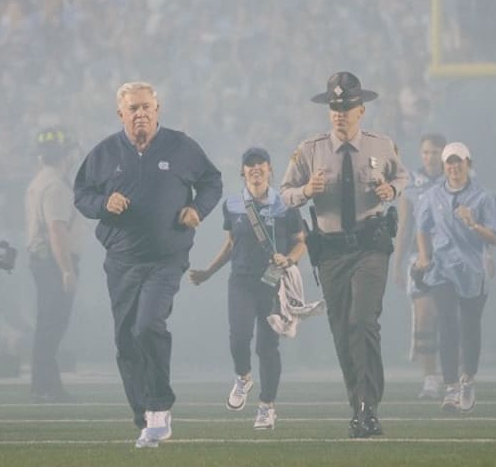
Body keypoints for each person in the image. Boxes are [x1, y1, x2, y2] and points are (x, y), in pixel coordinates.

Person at [74, 81, 222, 449]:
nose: (140, 113)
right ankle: (143, 415)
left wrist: (197, 209)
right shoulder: (104, 153)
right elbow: (81, 194)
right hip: (122, 261)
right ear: (120, 114)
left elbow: (212, 182)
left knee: (147, 325)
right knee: (126, 339)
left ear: (158, 110)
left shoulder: (181, 146)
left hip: (166, 259)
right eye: (133, 108)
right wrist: (103, 204)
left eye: (146, 107)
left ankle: (159, 410)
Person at [279, 71, 408, 438]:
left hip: (370, 246)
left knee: (362, 320)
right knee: (341, 330)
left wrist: (389, 191)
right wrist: (306, 190)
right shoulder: (309, 150)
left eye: (347, 106)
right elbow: (284, 193)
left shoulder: (381, 146)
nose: (340, 113)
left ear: (361, 110)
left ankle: (369, 406)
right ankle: (358, 405)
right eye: (335, 107)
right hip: (332, 251)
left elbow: (402, 178)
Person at [188, 146, 306, 431]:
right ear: (242, 171)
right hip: (240, 280)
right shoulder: (232, 204)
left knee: (267, 347)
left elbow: (301, 241)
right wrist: (208, 272)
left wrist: (288, 259)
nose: (255, 168)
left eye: (260, 163)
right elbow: (231, 243)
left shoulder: (285, 205)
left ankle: (267, 407)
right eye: (249, 164)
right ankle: (243, 377)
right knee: (238, 337)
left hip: (272, 282)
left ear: (269, 169)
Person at [414, 142, 496, 413]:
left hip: (472, 271)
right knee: (446, 323)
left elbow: (494, 237)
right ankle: (450, 385)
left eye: (459, 162)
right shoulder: (431, 196)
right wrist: (424, 257)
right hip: (442, 270)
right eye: (449, 163)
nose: (454, 167)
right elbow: (422, 227)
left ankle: (468, 379)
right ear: (443, 167)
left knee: (470, 327)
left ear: (468, 164)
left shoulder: (484, 197)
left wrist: (472, 223)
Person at [25, 127, 83, 402]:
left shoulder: (39, 181)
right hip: (53, 260)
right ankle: (46, 384)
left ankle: (44, 382)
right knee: (53, 324)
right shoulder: (56, 186)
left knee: (47, 323)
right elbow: (56, 230)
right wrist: (67, 269)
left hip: (42, 259)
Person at [392, 133, 447, 400]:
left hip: (452, 258)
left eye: (434, 152)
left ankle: (454, 376)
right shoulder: (412, 183)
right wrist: (398, 263)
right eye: (425, 152)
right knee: (425, 315)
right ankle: (430, 377)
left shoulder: (457, 178)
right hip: (420, 259)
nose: (429, 157)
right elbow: (404, 226)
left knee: (449, 318)